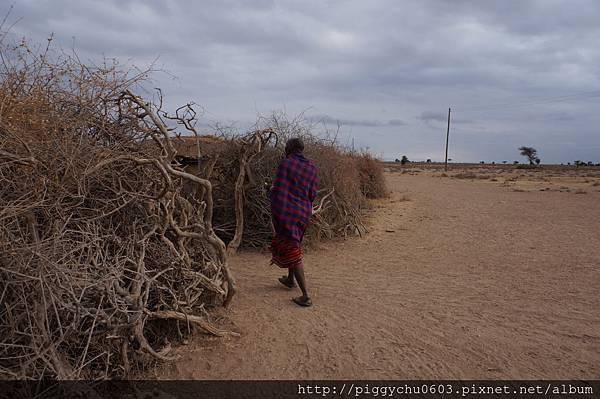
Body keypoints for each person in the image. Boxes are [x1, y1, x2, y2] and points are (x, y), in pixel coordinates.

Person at [269, 138, 318, 307]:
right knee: (294, 244)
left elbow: (279, 189)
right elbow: (313, 193)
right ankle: (290, 279)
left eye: (286, 147)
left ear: (290, 148)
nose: (285, 149)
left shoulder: (286, 164)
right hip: (304, 213)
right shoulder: (311, 167)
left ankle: (306, 295)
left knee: (292, 249)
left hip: (288, 212)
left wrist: (272, 194)